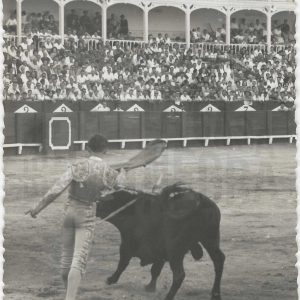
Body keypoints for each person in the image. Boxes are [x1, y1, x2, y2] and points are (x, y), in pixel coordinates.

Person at [25, 134, 126, 300]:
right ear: (106, 150)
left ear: (88, 148)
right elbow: (119, 187)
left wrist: (37, 209)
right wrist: (122, 173)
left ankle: (68, 294)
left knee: (66, 258)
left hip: (69, 212)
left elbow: (55, 190)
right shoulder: (109, 172)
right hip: (86, 214)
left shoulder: (78, 166)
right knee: (78, 260)